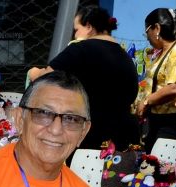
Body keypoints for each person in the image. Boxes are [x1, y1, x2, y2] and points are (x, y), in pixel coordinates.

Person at [27, 6, 139, 150]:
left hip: (89, 139)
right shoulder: (126, 58)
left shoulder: (81, 49)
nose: (75, 35)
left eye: (77, 29)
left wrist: (33, 72)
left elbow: (46, 77)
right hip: (122, 140)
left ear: (89, 27)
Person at [135, 8, 176, 152]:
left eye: (147, 32)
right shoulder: (163, 53)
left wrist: (147, 101)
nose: (147, 37)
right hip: (157, 122)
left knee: (163, 169)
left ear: (156, 28)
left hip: (171, 123)